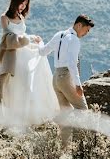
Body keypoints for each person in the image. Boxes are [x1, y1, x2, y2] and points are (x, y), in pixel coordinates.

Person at [0, 0, 59, 125]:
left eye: (25, 4)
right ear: (15, 1)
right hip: (14, 52)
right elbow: (10, 37)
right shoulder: (4, 18)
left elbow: (22, 34)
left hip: (24, 50)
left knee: (35, 67)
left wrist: (32, 37)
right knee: (16, 82)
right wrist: (26, 39)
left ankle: (34, 112)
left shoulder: (21, 16)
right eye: (22, 3)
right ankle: (15, 115)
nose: (23, 7)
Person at [38, 14, 95, 148]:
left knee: (65, 113)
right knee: (82, 108)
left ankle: (64, 147)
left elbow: (43, 52)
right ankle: (80, 145)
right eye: (86, 30)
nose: (86, 34)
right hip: (66, 76)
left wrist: (38, 42)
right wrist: (78, 84)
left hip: (56, 77)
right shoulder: (74, 40)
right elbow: (71, 63)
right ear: (79, 25)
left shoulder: (59, 35)